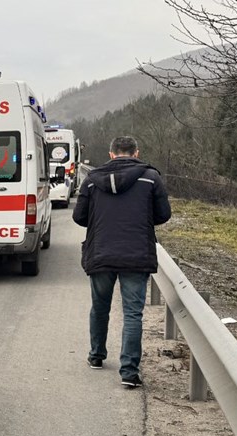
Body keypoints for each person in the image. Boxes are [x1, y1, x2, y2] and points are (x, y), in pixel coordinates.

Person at [73, 136, 171, 389]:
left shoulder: (93, 180)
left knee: (100, 306)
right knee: (132, 314)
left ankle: (96, 356)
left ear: (111, 153)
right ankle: (129, 372)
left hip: (101, 252)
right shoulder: (151, 178)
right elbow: (163, 215)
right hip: (136, 255)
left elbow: (79, 217)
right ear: (136, 153)